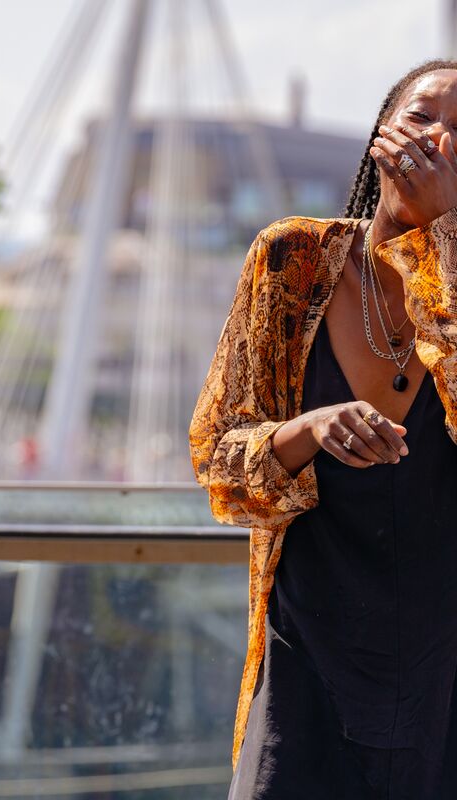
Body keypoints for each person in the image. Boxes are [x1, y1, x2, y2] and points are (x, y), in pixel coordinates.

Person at [189, 59, 457, 798]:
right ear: (379, 135)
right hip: (306, 660)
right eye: (423, 117)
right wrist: (304, 430)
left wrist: (440, 246)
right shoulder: (293, 261)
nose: (437, 140)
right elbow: (219, 462)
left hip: (442, 674)